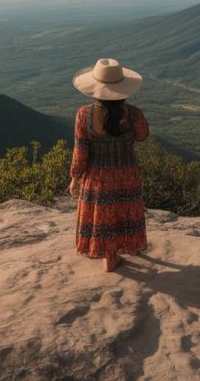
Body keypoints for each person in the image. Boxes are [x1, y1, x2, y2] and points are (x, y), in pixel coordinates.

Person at [69, 58, 149, 272]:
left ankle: (108, 256)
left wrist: (75, 177)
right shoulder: (134, 114)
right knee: (122, 212)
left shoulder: (84, 115)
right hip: (126, 173)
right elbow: (143, 135)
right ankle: (115, 255)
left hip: (97, 176)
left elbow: (81, 150)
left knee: (103, 215)